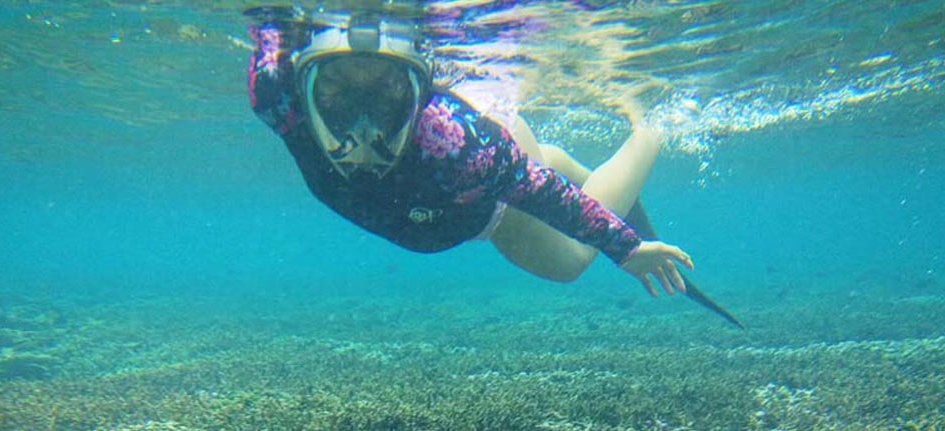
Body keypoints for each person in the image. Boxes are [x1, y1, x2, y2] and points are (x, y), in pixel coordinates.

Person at [245, 8, 693, 299]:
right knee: (521, 174)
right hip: (498, 168)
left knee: (569, 263)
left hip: (495, 196)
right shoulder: (275, 95)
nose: (365, 124)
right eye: (339, 91)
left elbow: (541, 194)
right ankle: (541, 160)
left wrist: (626, 249)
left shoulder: (456, 147)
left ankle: (649, 131)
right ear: (301, 85)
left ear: (419, 94)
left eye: (385, 93)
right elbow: (269, 27)